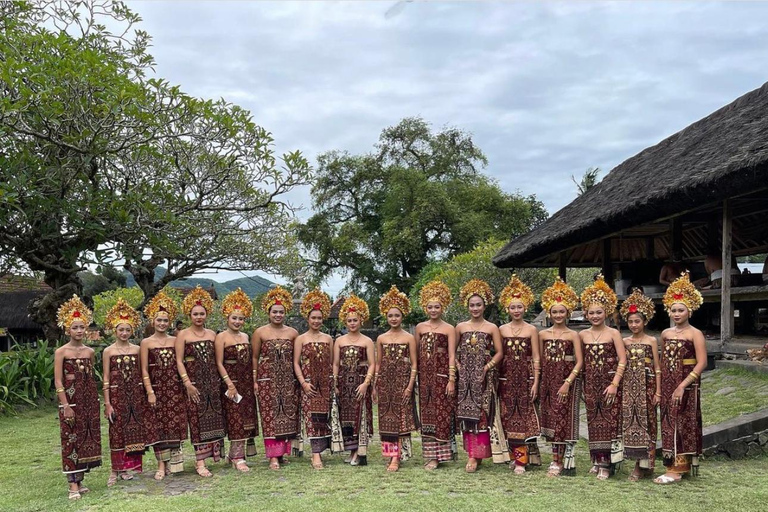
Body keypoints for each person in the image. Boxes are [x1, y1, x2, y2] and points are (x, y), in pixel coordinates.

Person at [655, 272, 706, 484]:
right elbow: (661, 361)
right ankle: (670, 464)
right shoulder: (666, 333)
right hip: (667, 381)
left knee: (682, 422)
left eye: (681, 310)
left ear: (689, 311)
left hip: (686, 383)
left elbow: (702, 362)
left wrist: (683, 386)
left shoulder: (695, 333)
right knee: (667, 421)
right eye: (673, 310)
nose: (676, 313)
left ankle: (678, 468)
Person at [579, 274, 627, 480]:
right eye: (592, 313)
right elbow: (580, 364)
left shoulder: (614, 334)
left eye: (599, 312)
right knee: (593, 422)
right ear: (586, 314)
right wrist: (581, 385)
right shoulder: (582, 335)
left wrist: (615, 384)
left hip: (609, 383)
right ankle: (597, 459)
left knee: (610, 422)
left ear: (606, 312)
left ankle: (608, 463)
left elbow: (622, 360)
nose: (596, 316)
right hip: (590, 384)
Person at [54, 295, 101, 500]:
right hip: (70, 402)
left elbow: (90, 377)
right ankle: (72, 485)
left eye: (82, 327)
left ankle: (80, 481)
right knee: (70, 439)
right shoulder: (61, 352)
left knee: (83, 439)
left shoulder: (90, 352)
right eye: (75, 327)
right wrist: (65, 405)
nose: (79, 331)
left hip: (88, 401)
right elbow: (58, 381)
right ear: (67, 329)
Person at [176, 286, 226, 477]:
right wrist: (187, 383)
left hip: (212, 382)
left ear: (207, 314)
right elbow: (179, 361)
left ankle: (214, 455)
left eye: (202, 314)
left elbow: (218, 360)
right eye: (195, 314)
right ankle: (200, 462)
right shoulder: (183, 335)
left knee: (212, 418)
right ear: (189, 314)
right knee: (196, 420)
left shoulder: (213, 334)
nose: (198, 317)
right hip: (193, 383)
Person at [455, 279, 503, 473]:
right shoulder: (460, 327)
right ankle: (472, 455)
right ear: (467, 306)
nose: (475, 308)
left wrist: (486, 367)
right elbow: (453, 352)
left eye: (478, 305)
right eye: (471, 305)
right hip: (465, 377)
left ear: (485, 306)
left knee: (482, 414)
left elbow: (499, 352)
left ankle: (479, 454)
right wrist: (458, 368)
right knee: (467, 414)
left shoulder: (492, 327)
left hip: (483, 377)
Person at [252, 286, 300, 470]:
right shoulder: (260, 332)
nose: (278, 315)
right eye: (275, 312)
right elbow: (255, 357)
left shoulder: (292, 333)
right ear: (268, 312)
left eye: (281, 312)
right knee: (270, 417)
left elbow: (297, 358)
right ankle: (272, 456)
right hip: (267, 380)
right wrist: (255, 380)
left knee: (286, 416)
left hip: (288, 380)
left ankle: (281, 454)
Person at [538, 277, 582, 477]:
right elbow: (538, 360)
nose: (558, 315)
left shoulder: (573, 335)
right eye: (554, 311)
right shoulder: (543, 335)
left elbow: (580, 362)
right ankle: (555, 458)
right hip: (547, 380)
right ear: (549, 312)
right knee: (551, 419)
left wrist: (567, 383)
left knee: (563, 419)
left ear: (568, 313)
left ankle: (562, 460)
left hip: (567, 381)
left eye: (561, 311)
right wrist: (538, 383)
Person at [497, 275, 541, 474]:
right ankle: (516, 457)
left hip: (525, 380)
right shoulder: (501, 329)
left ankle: (523, 461)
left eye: (520, 307)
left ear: (525, 308)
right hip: (506, 380)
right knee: (508, 418)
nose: (516, 311)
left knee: (524, 420)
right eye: (513, 307)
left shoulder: (532, 329)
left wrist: (536, 382)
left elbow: (537, 358)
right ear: (507, 309)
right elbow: (498, 355)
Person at [141, 290, 186, 480]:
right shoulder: (146, 342)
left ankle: (174, 465)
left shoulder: (175, 340)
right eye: (158, 320)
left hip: (174, 388)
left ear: (170, 322)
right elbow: (144, 370)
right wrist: (150, 391)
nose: (162, 324)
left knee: (174, 425)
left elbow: (180, 362)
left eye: (165, 321)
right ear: (152, 321)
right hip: (156, 389)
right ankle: (161, 465)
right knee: (157, 427)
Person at [375, 286, 419, 472]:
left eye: (397, 315)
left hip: (402, 383)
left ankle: (396, 458)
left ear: (403, 317)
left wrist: (410, 387)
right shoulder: (381, 338)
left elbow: (415, 365)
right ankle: (390, 455)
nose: (393, 319)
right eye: (390, 316)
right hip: (385, 384)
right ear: (386, 317)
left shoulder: (409, 338)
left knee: (401, 420)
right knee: (387, 420)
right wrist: (375, 386)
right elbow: (378, 364)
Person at [414, 280, 457, 470]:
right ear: (425, 308)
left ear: (443, 307)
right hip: (424, 379)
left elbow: (452, 355)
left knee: (442, 415)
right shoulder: (420, 328)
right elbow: (415, 353)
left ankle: (441, 456)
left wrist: (451, 379)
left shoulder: (449, 328)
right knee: (427, 416)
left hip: (441, 378)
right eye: (430, 307)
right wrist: (414, 377)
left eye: (437, 306)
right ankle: (431, 456)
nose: (433, 310)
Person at [101, 298, 145, 487]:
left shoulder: (137, 349)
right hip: (117, 397)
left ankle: (127, 468)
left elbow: (143, 373)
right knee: (116, 432)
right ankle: (114, 470)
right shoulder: (108, 351)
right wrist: (108, 403)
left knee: (133, 431)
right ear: (115, 330)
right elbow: (106, 378)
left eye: (128, 330)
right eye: (121, 329)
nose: (124, 333)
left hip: (135, 396)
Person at [215, 288, 258, 473]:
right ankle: (238, 458)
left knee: (246, 418)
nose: (237, 321)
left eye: (241, 318)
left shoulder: (246, 336)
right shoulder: (221, 337)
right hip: (230, 383)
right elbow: (218, 362)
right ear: (227, 317)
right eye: (234, 318)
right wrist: (229, 383)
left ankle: (235, 454)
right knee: (234, 418)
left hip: (246, 381)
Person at [619, 289, 661, 482]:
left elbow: (657, 367)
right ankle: (637, 464)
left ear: (645, 321)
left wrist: (658, 391)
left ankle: (646, 465)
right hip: (628, 387)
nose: (634, 325)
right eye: (630, 321)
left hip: (648, 386)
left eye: (637, 321)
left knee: (649, 425)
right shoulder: (624, 341)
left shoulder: (652, 340)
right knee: (631, 424)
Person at [294, 288, 334, 469]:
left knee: (323, 418)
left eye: (319, 318)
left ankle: (323, 449)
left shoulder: (328, 339)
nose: (316, 321)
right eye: (313, 318)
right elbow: (296, 363)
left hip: (325, 383)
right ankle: (315, 455)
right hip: (309, 383)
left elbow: (332, 361)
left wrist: (333, 381)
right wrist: (303, 383)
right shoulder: (300, 339)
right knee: (310, 418)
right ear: (307, 319)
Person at [333, 295, 375, 466]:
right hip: (344, 384)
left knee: (361, 416)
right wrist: (335, 383)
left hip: (360, 382)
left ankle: (360, 452)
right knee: (347, 417)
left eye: (355, 320)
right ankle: (351, 451)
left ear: (361, 321)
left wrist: (366, 383)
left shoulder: (367, 341)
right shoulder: (339, 341)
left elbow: (372, 364)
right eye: (349, 320)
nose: (352, 323)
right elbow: (336, 364)